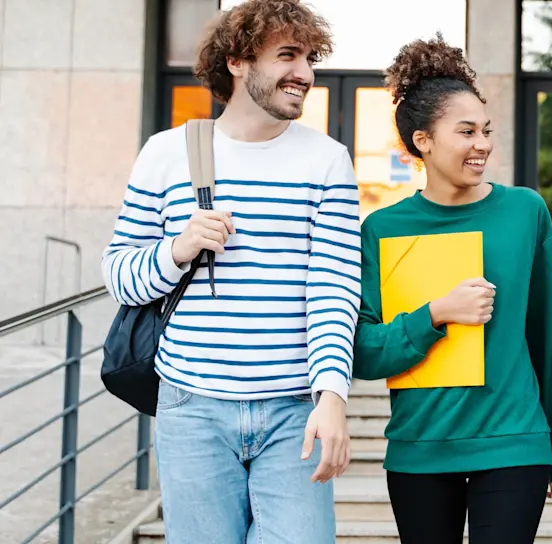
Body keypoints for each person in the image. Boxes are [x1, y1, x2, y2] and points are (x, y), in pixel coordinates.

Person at [99, 0, 359, 542]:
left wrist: (332, 395)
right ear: (237, 61)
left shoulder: (328, 160)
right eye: (287, 55)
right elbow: (119, 275)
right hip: (191, 406)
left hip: (294, 410)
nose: (305, 74)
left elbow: (334, 287)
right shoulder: (165, 153)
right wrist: (177, 249)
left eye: (310, 58)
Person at [351, 34, 552, 544]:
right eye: (467, 131)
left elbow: (547, 335)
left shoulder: (524, 212)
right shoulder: (383, 229)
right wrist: (435, 313)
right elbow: (363, 352)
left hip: (513, 442)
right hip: (420, 447)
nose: (483, 145)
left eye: (486, 130)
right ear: (423, 141)